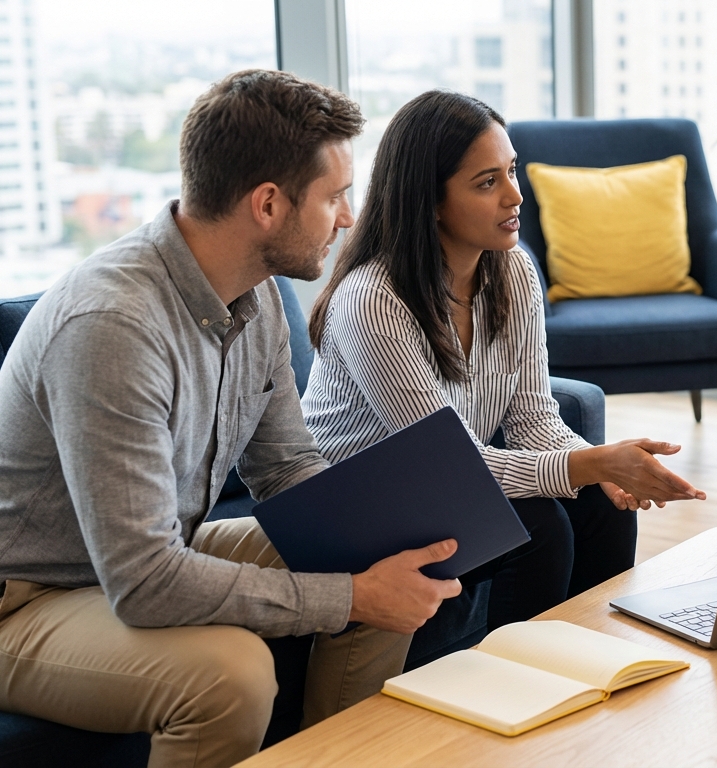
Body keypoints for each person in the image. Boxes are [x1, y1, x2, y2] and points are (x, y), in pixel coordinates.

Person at [0, 70, 462, 766]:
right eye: (335, 196)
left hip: (144, 555)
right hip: (29, 598)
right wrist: (346, 597)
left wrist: (374, 528)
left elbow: (285, 466)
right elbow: (146, 581)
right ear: (268, 204)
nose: (347, 217)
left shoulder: (257, 295)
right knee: (232, 675)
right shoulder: (112, 326)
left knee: (383, 549)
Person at [302, 90, 705, 637]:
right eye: (487, 182)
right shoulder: (374, 299)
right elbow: (450, 465)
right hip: (364, 503)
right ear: (431, 199)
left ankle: (596, 660)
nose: (516, 195)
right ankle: (521, 684)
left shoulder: (510, 271)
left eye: (511, 171)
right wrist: (594, 464)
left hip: (441, 489)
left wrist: (601, 468)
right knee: (538, 525)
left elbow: (532, 417)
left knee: (605, 507)